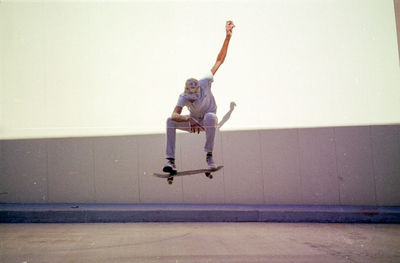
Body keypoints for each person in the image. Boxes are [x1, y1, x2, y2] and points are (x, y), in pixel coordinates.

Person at [163, 20, 235, 174]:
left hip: (208, 121)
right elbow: (174, 114)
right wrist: (188, 119)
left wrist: (227, 36)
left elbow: (219, 60)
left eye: (194, 98)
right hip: (194, 122)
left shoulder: (205, 81)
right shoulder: (183, 96)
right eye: (190, 98)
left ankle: (209, 155)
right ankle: (171, 161)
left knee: (209, 116)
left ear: (199, 90)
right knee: (170, 121)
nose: (192, 100)